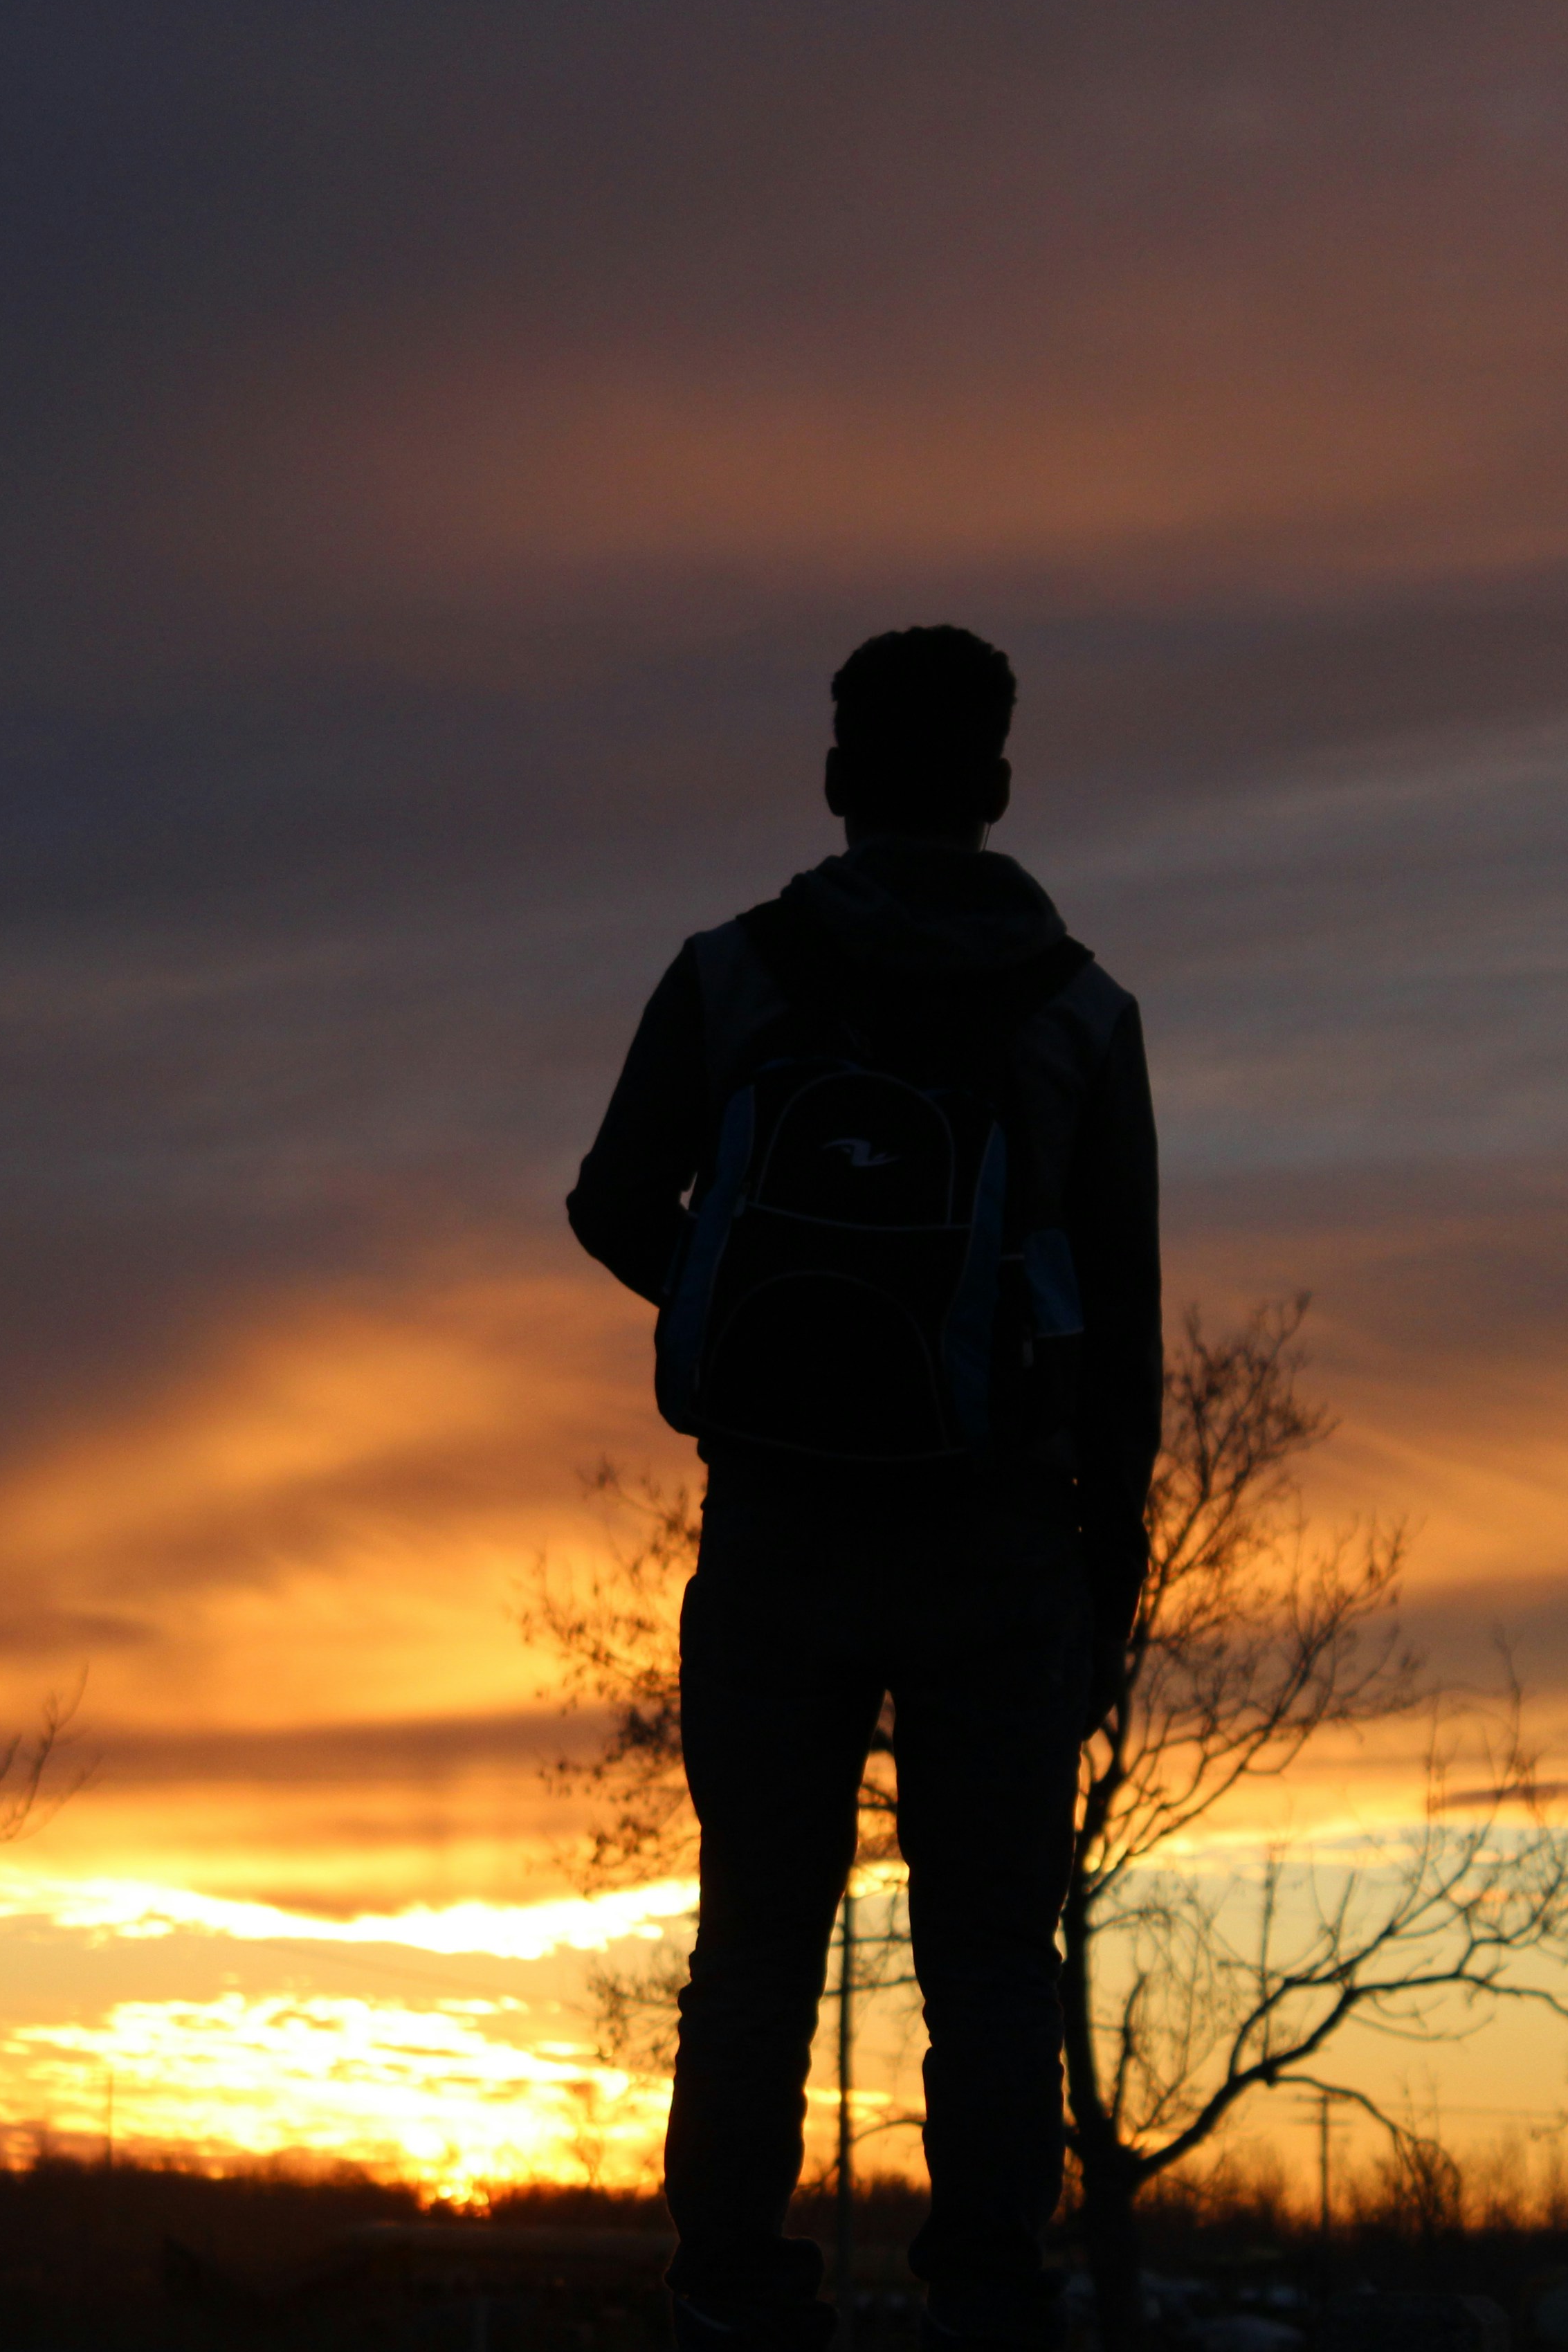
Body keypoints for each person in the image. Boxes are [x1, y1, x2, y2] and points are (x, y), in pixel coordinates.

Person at [567, 626, 1163, 2351]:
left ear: (837, 779)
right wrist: (1107, 1566)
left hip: (776, 1530)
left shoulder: (731, 976)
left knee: (756, 1936)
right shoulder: (1081, 1015)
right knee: (992, 1955)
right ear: (996, 785)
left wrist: (749, 1327)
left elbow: (612, 1203)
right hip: (1002, 1540)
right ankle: (985, 2294)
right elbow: (1125, 1331)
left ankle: (728, 2290)